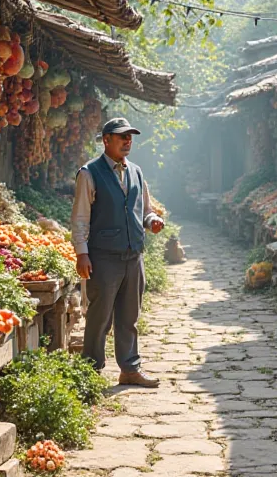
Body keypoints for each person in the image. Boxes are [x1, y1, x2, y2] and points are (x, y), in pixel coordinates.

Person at [71, 117, 164, 387]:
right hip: (103, 256)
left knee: (129, 316)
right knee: (99, 317)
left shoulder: (136, 171)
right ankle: (90, 371)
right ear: (106, 140)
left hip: (133, 255)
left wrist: (152, 221)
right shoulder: (89, 173)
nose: (127, 141)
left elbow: (145, 209)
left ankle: (130, 369)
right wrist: (82, 252)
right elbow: (80, 217)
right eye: (121, 136)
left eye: (130, 137)